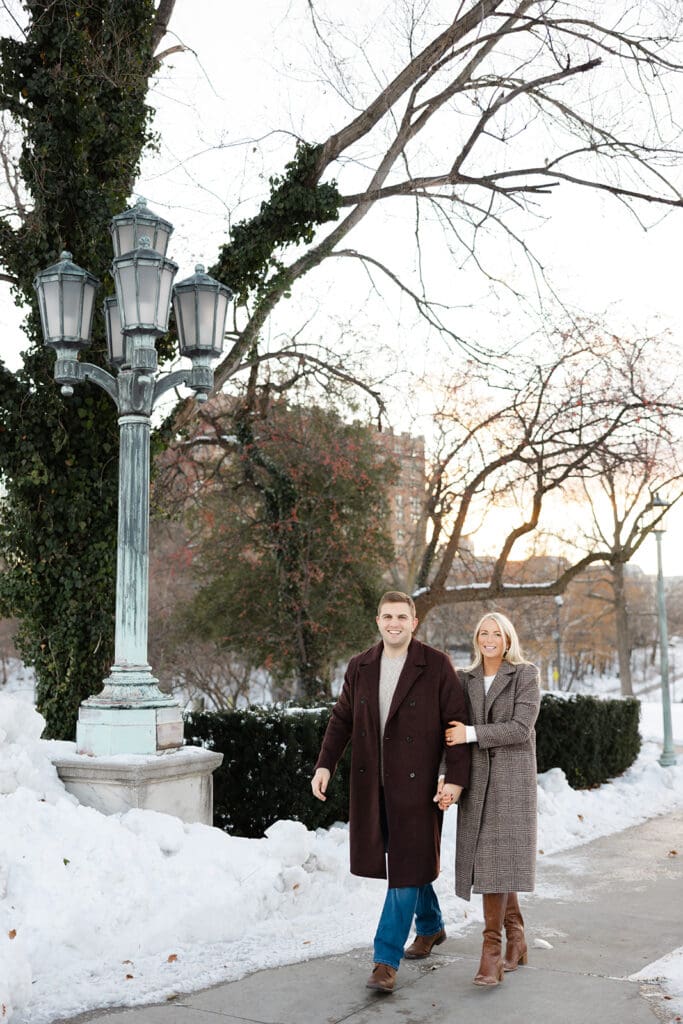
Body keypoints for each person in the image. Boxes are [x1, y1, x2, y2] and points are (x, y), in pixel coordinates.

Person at [311, 591, 470, 994]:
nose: (394, 623)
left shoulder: (436, 664)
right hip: (372, 785)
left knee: (406, 866)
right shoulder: (360, 665)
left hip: (418, 788)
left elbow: (456, 724)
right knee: (409, 861)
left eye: (401, 616)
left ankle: (385, 959)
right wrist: (325, 763)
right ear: (378, 621)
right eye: (387, 616)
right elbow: (342, 718)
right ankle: (430, 926)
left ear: (414, 622)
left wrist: (455, 779)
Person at [444, 611, 540, 987]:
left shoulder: (525, 674)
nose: (489, 639)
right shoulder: (463, 678)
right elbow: (449, 732)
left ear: (507, 638)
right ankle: (516, 936)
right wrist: (446, 774)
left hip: (510, 781)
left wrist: (471, 734)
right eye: (483, 633)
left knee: (495, 862)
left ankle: (492, 952)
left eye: (496, 634)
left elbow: (520, 728)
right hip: (477, 780)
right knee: (493, 862)